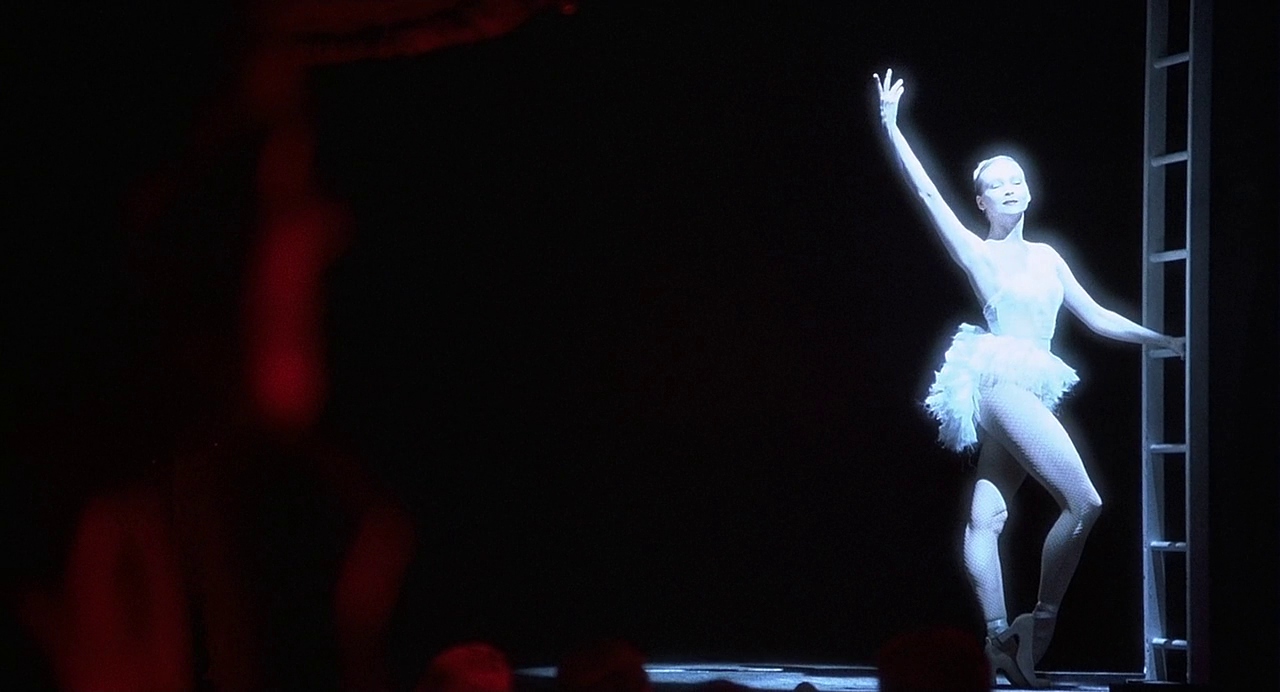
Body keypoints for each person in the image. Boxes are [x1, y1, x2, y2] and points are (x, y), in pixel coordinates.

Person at [872, 68, 1184, 688]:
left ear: (1029, 191)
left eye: (1016, 180)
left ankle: (998, 643)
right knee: (1085, 501)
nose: (1010, 189)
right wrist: (891, 125)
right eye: (996, 185)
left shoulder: (1048, 257)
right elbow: (929, 194)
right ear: (982, 202)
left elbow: (1097, 316)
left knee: (986, 519)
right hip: (998, 380)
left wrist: (1162, 340)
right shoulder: (980, 253)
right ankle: (1035, 628)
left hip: (1025, 385)